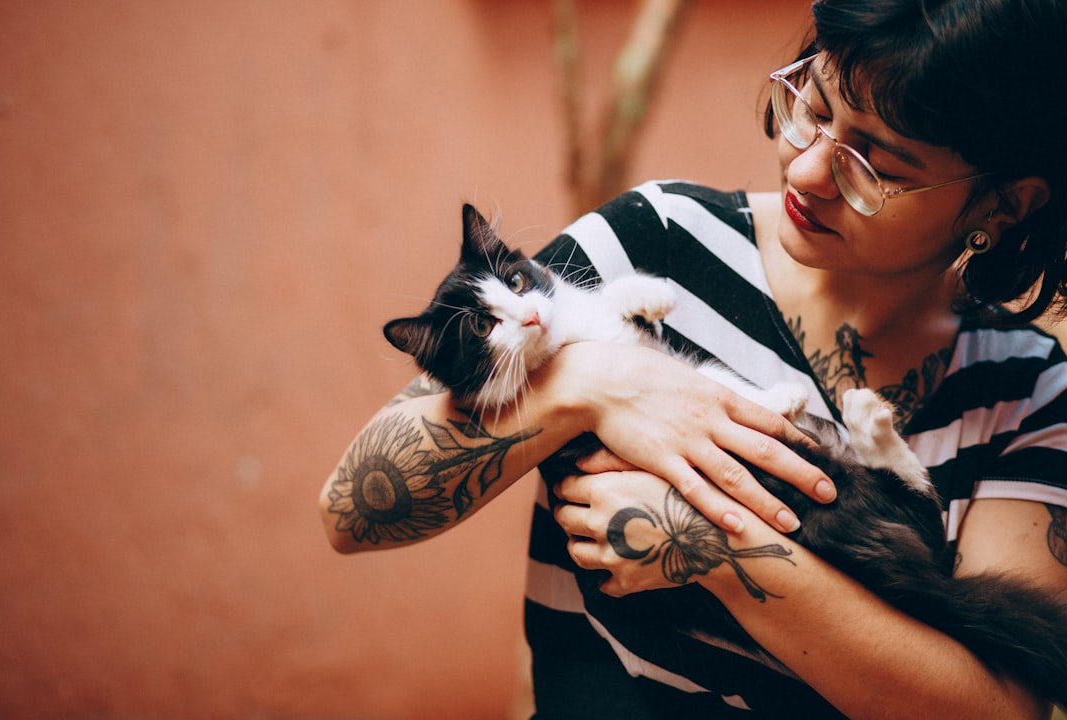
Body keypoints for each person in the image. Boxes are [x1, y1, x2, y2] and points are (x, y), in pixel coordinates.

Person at [320, 0, 1067, 717]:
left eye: (876, 166)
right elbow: (353, 513)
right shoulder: (657, 241)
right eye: (813, 104)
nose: (807, 171)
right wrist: (596, 384)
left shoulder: (1027, 389)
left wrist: (716, 551)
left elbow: (995, 710)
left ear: (1002, 207)